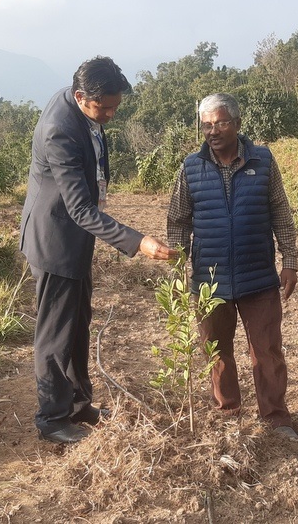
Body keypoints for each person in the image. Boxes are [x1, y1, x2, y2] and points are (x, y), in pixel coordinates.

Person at [20, 56, 178, 444]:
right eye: (102, 107)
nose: (109, 114)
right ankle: (52, 419)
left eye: (114, 107)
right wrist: (138, 241)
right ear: (79, 96)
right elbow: (78, 209)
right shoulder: (60, 128)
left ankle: (79, 404)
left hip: (76, 241)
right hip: (55, 240)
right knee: (55, 334)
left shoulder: (83, 111)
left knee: (78, 324)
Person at [166, 92, 298, 441]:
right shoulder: (190, 167)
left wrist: (290, 261)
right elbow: (179, 221)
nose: (212, 131)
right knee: (217, 350)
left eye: (220, 122)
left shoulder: (264, 162)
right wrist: (180, 268)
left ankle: (276, 418)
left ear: (238, 124)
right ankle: (228, 413)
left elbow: (281, 214)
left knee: (267, 351)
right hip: (210, 281)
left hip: (258, 278)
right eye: (207, 124)